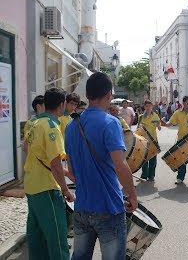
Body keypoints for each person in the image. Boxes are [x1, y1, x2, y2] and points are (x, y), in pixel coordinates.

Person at [65, 72, 137, 259]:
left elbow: (72, 172)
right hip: (108, 207)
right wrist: (132, 194)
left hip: (82, 207)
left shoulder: (71, 126)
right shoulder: (111, 123)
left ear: (87, 96)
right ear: (109, 95)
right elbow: (120, 166)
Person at [24, 88, 75, 260]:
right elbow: (55, 163)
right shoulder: (52, 126)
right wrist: (66, 190)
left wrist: (67, 174)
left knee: (36, 236)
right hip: (47, 188)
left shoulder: (32, 123)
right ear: (61, 105)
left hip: (31, 185)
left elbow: (29, 151)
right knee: (57, 238)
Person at [162, 96, 188, 185]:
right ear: (183, 103)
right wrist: (165, 124)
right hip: (181, 141)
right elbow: (171, 123)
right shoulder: (177, 113)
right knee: (181, 160)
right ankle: (180, 178)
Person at [138, 100, 161, 181]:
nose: (148, 108)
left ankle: (151, 176)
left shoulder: (155, 116)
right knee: (144, 159)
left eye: (149, 106)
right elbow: (138, 129)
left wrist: (159, 124)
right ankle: (144, 175)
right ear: (144, 107)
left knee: (153, 160)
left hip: (154, 141)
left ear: (152, 107)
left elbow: (159, 127)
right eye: (146, 106)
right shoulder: (141, 117)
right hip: (144, 141)